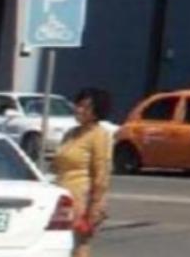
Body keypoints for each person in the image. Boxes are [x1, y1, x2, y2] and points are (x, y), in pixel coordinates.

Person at [53, 88, 111, 256]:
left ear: (97, 111)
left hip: (81, 198)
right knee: (58, 245)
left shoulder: (99, 135)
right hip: (62, 195)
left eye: (86, 107)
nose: (79, 110)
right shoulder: (71, 133)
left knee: (78, 245)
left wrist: (95, 207)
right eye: (78, 105)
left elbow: (101, 173)